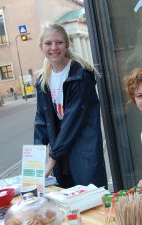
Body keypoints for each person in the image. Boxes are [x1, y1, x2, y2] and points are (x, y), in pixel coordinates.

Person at [34, 23, 107, 188]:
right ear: (41, 47)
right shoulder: (43, 81)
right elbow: (41, 121)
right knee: (65, 203)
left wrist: (51, 160)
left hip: (83, 149)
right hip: (61, 149)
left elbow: (72, 122)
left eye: (59, 42)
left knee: (89, 200)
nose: (54, 47)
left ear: (67, 45)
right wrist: (35, 163)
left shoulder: (80, 76)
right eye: (48, 43)